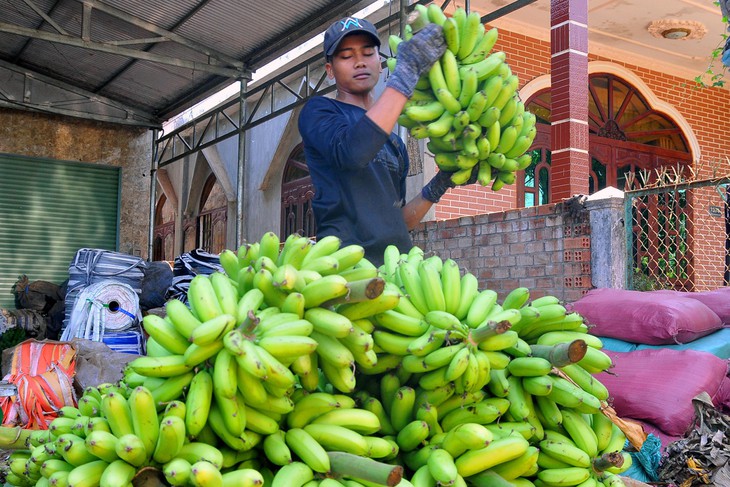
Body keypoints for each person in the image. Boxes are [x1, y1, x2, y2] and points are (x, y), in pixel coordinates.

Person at [298, 16, 476, 266]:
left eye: (368, 52)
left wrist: (439, 184)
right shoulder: (319, 112)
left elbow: (399, 222)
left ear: (380, 64)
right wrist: (406, 75)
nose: (360, 62)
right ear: (330, 70)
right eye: (347, 56)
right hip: (347, 267)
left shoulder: (394, 143)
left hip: (398, 268)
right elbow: (352, 153)